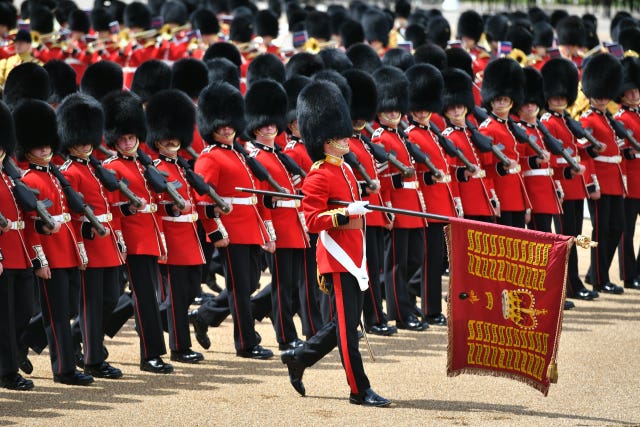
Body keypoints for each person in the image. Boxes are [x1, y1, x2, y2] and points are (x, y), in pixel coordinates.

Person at [280, 80, 391, 407]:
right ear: (325, 141)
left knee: (343, 324)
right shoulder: (319, 175)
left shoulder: (344, 171)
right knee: (347, 332)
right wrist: (344, 213)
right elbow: (313, 220)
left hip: (355, 256)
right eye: (340, 137)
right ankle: (359, 389)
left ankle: (299, 359)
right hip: (338, 259)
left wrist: (355, 210)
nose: (347, 139)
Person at [194, 81, 275, 360]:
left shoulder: (240, 153)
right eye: (221, 126)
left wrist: (266, 231)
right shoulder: (210, 158)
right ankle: (246, 343)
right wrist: (216, 233)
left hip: (250, 228)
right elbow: (203, 200)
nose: (227, 129)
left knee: (249, 284)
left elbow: (255, 195)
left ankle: (205, 316)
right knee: (241, 290)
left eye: (230, 124)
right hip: (230, 231)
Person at [16, 99, 94, 386]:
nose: (46, 150)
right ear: (27, 150)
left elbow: (70, 219)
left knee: (69, 309)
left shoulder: (55, 176)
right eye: (39, 147)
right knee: (58, 315)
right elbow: (31, 228)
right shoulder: (28, 180)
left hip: (68, 252)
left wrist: (80, 251)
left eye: (48, 145)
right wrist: (40, 260)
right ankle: (64, 369)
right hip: (49, 255)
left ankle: (21, 341)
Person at [102, 91, 174, 374]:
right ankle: (151, 355)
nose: (129, 142)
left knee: (143, 297)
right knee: (144, 298)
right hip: (131, 240)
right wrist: (123, 233)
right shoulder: (111, 167)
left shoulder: (145, 165)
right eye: (123, 139)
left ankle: (79, 338)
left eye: (132, 138)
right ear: (115, 140)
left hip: (150, 236)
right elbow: (111, 207)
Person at [57, 93, 125, 379]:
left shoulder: (96, 168)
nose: (85, 144)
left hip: (106, 241)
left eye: (88, 139)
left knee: (111, 297)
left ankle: (80, 340)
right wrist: (80, 246)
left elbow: (109, 206)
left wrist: (118, 237)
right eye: (80, 140)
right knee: (91, 304)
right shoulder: (68, 172)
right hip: (87, 243)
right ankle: (93, 359)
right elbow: (69, 214)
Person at [244, 79, 310, 351]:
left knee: (291, 285)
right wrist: (268, 232)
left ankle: (284, 330)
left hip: (293, 224)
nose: (270, 127)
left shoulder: (278, 154)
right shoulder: (256, 156)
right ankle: (285, 336)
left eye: (273, 123)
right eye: (264, 124)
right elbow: (262, 200)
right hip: (278, 226)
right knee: (282, 286)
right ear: (256, 126)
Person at [145, 89, 205, 363]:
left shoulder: (181, 166)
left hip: (189, 237)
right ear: (157, 141)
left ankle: (160, 327)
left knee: (191, 292)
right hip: (170, 237)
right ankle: (180, 347)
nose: (172, 142)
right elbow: (154, 207)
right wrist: (162, 242)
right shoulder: (155, 169)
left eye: (175, 139)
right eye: (167, 139)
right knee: (175, 298)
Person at [540, 57, 598, 301]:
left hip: (576, 186)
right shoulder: (547, 123)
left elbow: (574, 150)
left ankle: (573, 282)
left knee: (576, 237)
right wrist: (566, 172)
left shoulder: (566, 120)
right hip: (562, 185)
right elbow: (549, 160)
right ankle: (565, 286)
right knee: (564, 239)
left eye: (563, 97)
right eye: (555, 97)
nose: (560, 100)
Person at [405, 63, 458, 326]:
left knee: (439, 261)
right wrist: (429, 177)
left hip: (443, 203)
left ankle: (412, 296)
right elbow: (412, 172)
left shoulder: (431, 133)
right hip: (427, 205)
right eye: (419, 108)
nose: (423, 112)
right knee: (431, 262)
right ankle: (430, 309)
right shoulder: (411, 135)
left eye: (426, 107)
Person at [580, 53, 625, 295]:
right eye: (599, 95)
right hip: (599, 182)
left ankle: (595, 272)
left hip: (615, 181)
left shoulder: (608, 119)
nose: (602, 99)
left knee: (616, 227)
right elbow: (585, 156)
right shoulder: (587, 119)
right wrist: (591, 184)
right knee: (600, 230)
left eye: (605, 95)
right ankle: (599, 278)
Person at [0, 101, 35, 391]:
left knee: (25, 310)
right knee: (5, 319)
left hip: (20, 252)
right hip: (2, 255)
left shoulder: (10, 176)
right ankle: (8, 371)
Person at [479, 57, 531, 228]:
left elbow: (522, 162)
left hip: (517, 195)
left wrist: (526, 202)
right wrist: (492, 197)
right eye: (497, 99)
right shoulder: (487, 129)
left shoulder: (513, 127)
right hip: (501, 195)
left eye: (505, 99)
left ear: (512, 101)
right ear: (491, 100)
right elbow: (485, 169)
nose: (501, 103)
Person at [615, 56, 640, 290]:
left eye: (636, 91)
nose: (634, 95)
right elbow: (619, 150)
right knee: (627, 232)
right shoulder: (620, 119)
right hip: (630, 182)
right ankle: (628, 274)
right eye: (629, 92)